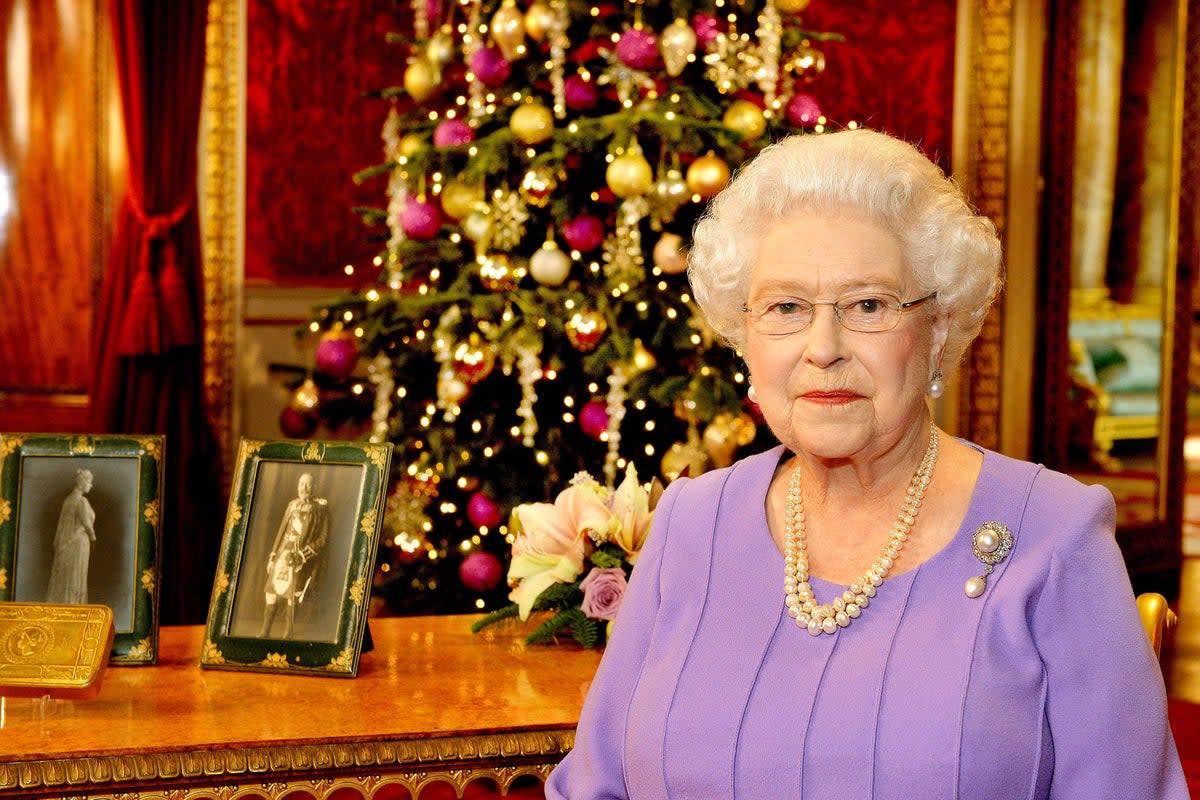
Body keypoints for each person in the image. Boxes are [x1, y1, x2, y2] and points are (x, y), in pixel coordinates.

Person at [546, 129, 1187, 798]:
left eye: (868, 306)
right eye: (787, 308)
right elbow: (595, 786)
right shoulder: (688, 525)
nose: (823, 347)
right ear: (744, 337)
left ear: (937, 329)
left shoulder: (1056, 537)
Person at [258, 472, 330, 639]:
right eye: (300, 484)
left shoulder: (321, 509)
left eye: (307, 484)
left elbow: (323, 539)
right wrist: (273, 555)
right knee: (271, 591)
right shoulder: (292, 505)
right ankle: (265, 631)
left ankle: (288, 633)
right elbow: (281, 530)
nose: (303, 488)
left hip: (301, 559)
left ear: (314, 487)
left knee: (292, 595)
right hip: (283, 556)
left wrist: (303, 555)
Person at [45, 468, 97, 604]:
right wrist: (93, 537)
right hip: (79, 542)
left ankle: (69, 602)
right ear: (82, 483)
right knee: (75, 572)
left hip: (69, 542)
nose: (91, 485)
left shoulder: (68, 500)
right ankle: (73, 604)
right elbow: (86, 523)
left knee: (69, 572)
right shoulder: (81, 501)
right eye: (90, 482)